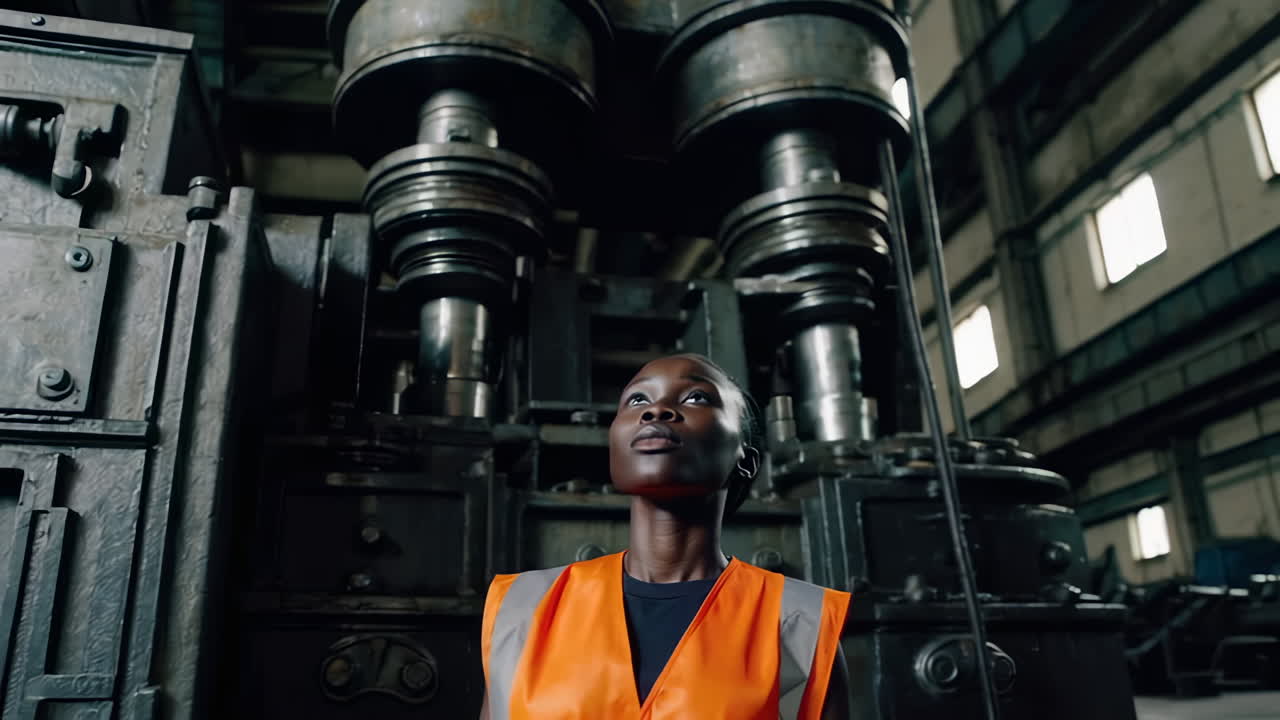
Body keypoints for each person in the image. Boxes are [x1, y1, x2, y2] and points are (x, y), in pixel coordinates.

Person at [480, 353, 851, 719]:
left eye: (696, 397)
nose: (656, 411)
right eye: (638, 399)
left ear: (745, 458)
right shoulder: (523, 609)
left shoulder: (799, 624)